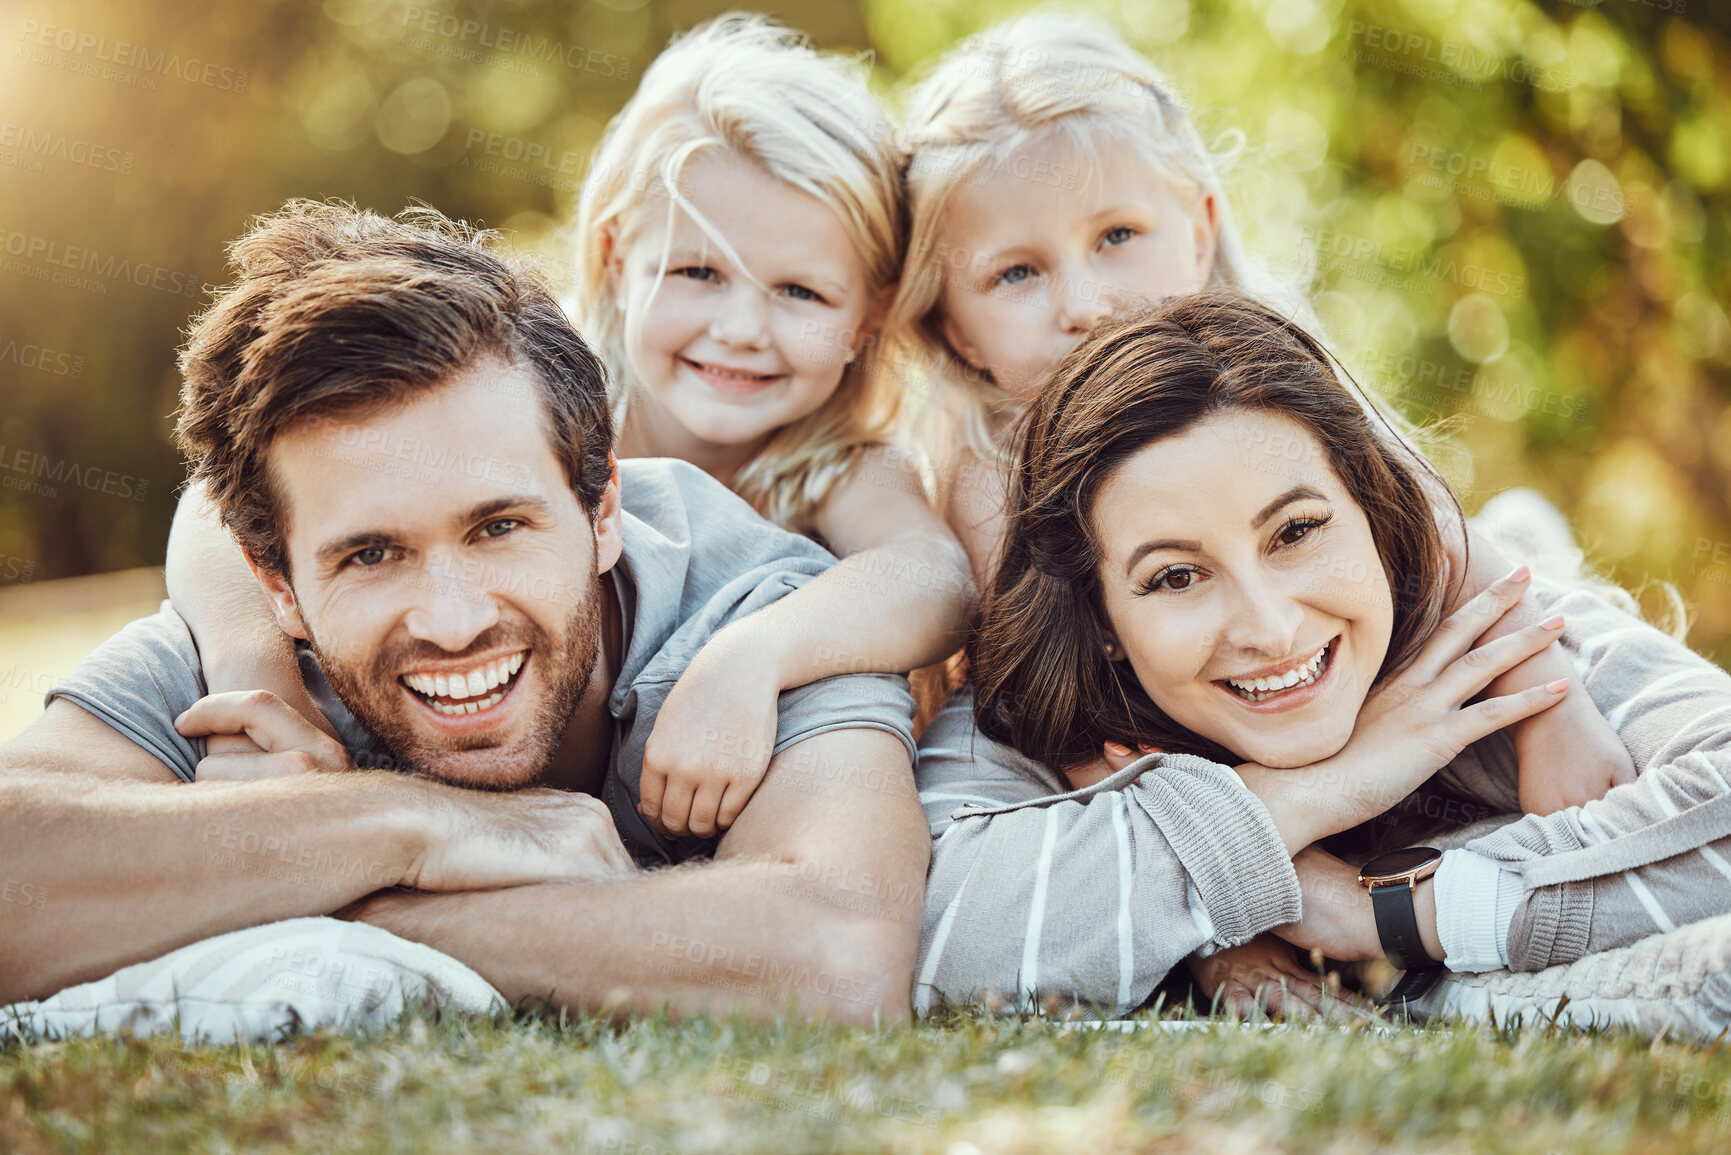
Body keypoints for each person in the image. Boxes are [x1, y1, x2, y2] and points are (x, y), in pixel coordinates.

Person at [0, 200, 929, 1031]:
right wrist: (406, 824)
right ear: (277, 583)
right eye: (371, 554)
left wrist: (343, 900)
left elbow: (835, 957)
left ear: (602, 511)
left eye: (498, 527)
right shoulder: (248, 662)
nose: (450, 621)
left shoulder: (759, 613)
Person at [168, 14, 972, 845]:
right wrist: (258, 678)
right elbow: (218, 505)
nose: (740, 326)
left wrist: (752, 657)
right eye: (697, 271)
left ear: (870, 316)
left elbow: (934, 578)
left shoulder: (840, 465)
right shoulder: (534, 405)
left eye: (800, 291)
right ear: (616, 256)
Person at [917, 294, 1731, 1037]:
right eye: (1175, 575)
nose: (1270, 629)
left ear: (1371, 516)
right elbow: (944, 943)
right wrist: (1299, 803)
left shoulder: (1485, 637)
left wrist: (1375, 914)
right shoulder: (1034, 708)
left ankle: (1524, 529)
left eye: (1296, 531)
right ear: (1101, 623)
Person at [886, 12, 1631, 814]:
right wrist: (1278, 877)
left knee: (1515, 548)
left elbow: (1441, 531)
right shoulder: (984, 472)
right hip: (1213, 751)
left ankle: (1533, 534)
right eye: (1015, 273)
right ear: (952, 327)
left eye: (1118, 235)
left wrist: (1553, 710)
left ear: (1201, 224)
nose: (1085, 304)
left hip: (1335, 664)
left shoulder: (1263, 377)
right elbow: (1061, 721)